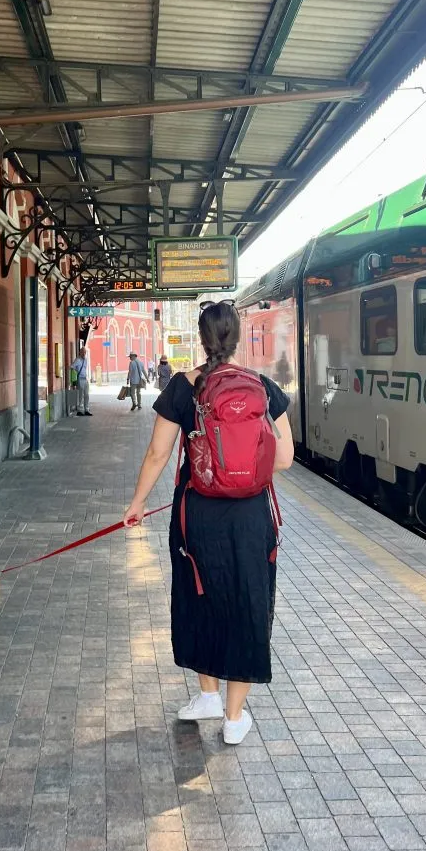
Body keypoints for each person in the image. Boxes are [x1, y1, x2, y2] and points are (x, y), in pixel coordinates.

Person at [124, 301, 294, 745]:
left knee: (200, 597)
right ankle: (234, 719)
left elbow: (159, 454)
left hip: (196, 515)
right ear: (236, 338)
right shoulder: (261, 385)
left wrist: (137, 503)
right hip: (251, 519)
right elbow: (286, 457)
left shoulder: (184, 386)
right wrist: (242, 472)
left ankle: (207, 695)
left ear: (202, 339)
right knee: (246, 604)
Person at [71, 346, 93, 416]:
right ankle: (80, 410)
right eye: (83, 352)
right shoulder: (77, 360)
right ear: (80, 352)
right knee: (81, 396)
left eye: (85, 352)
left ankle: (86, 409)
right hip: (80, 379)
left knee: (86, 395)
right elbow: (72, 367)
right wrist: (75, 373)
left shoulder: (85, 360)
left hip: (85, 378)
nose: (84, 353)